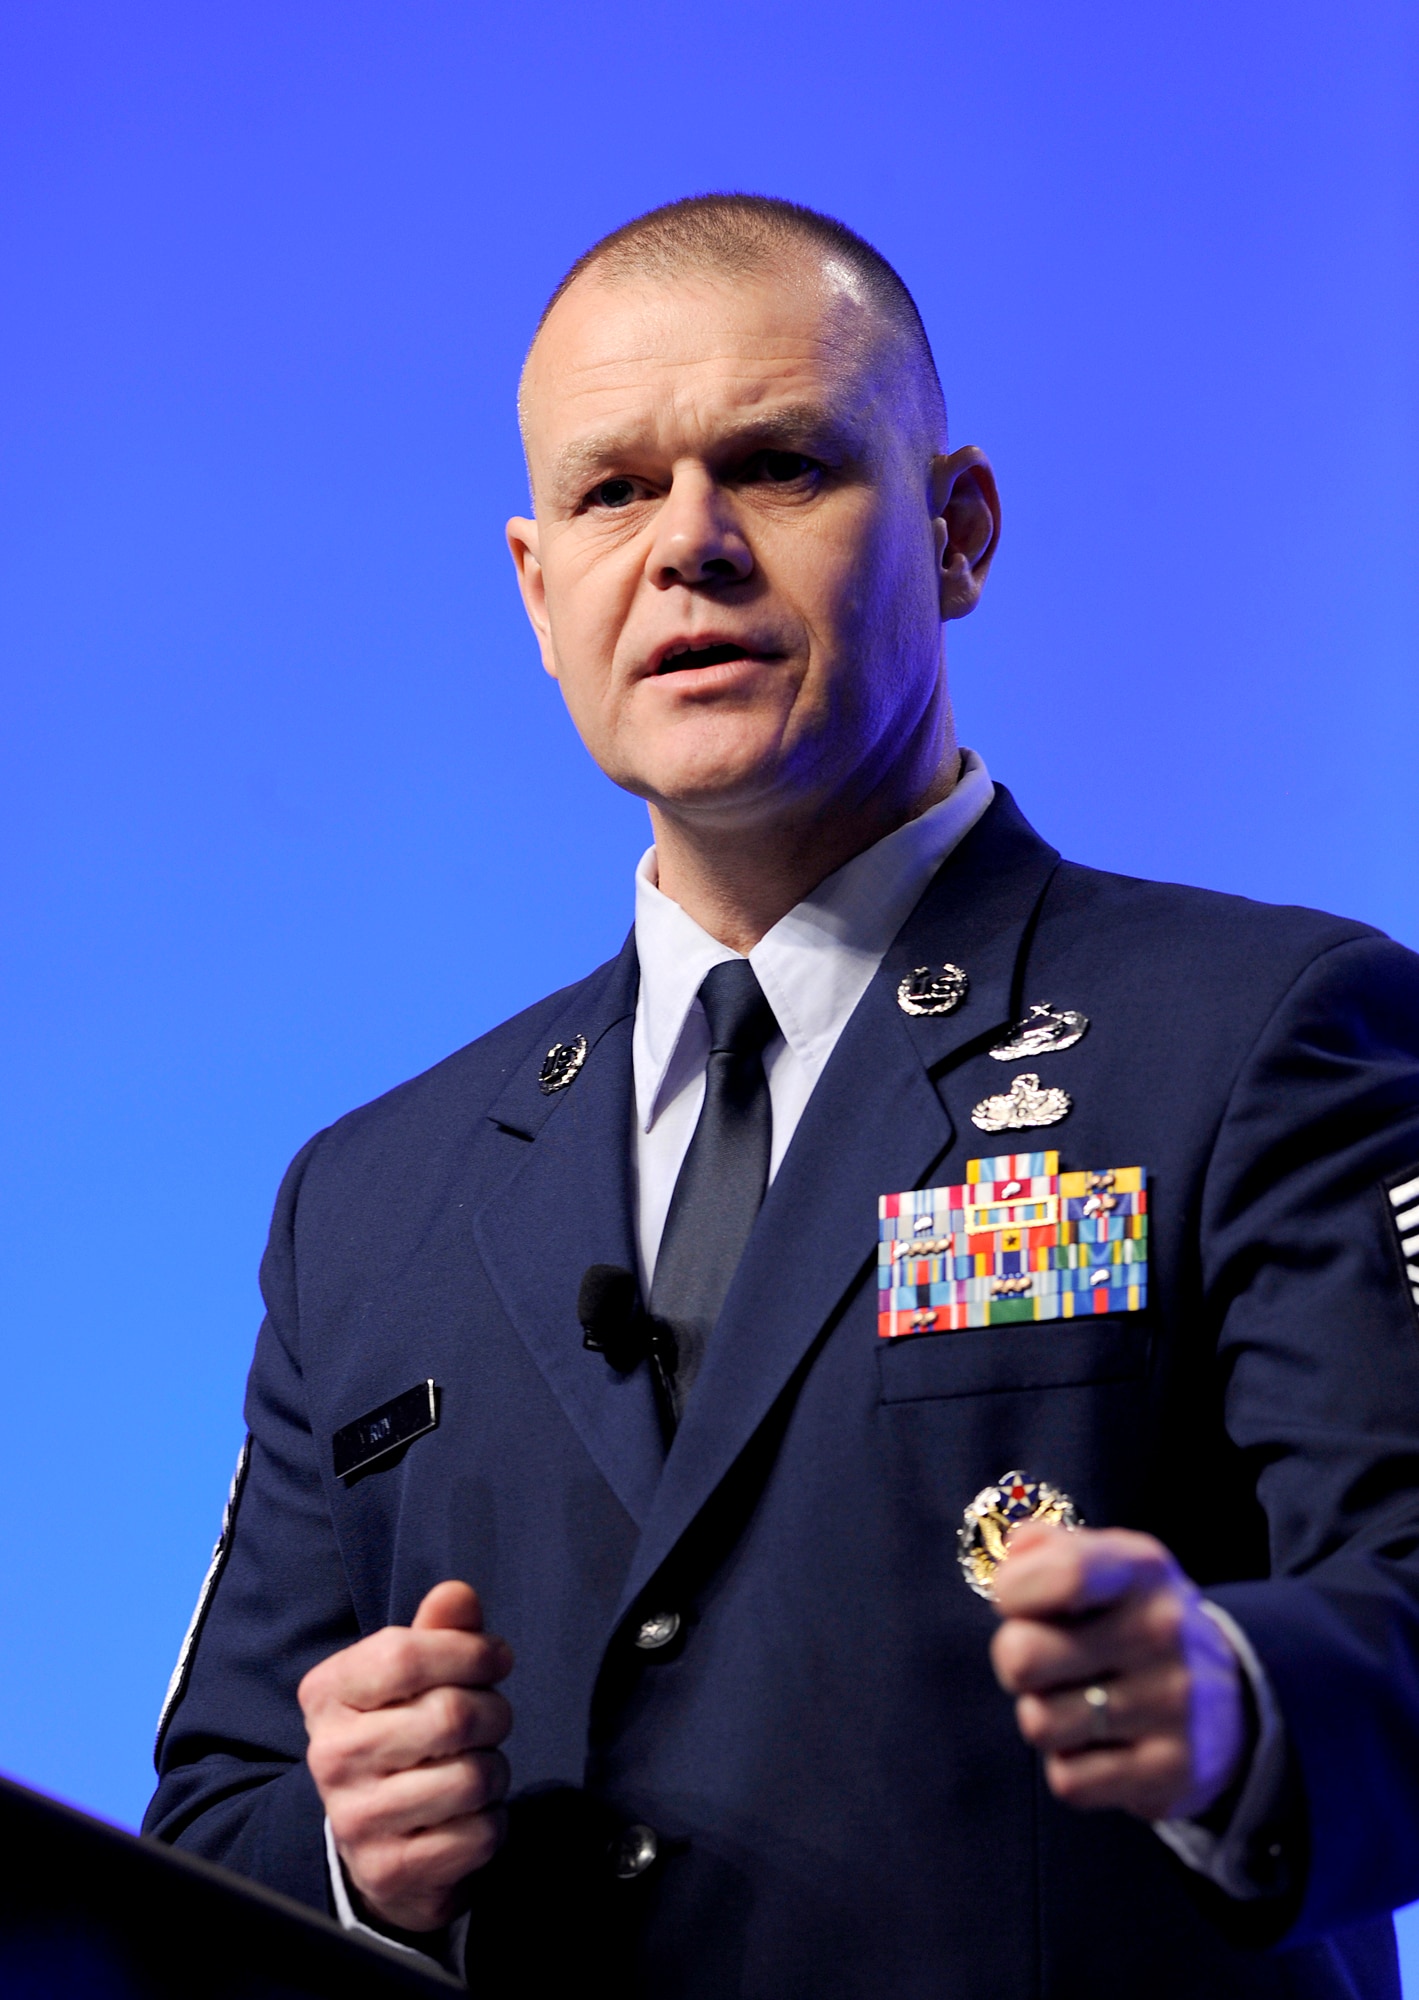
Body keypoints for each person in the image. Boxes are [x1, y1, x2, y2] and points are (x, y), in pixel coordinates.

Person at [145, 195, 1419, 1999]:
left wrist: (1243, 1705)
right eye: (610, 493)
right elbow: (210, 1829)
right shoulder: (364, 1204)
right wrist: (357, 1858)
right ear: (536, 588)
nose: (689, 548)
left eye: (781, 464)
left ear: (958, 530)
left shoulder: (1261, 1032)